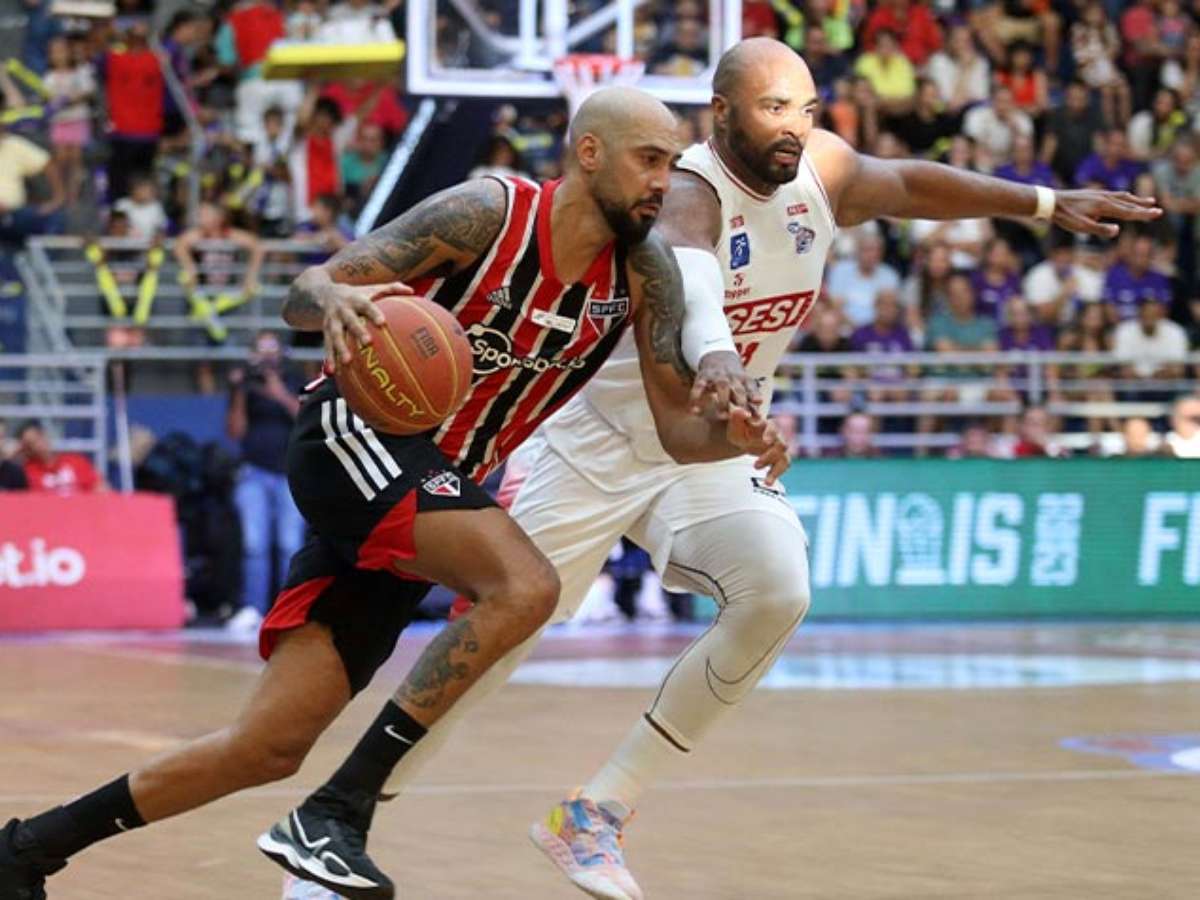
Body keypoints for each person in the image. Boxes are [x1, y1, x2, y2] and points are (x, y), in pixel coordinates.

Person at [282, 38, 1163, 900]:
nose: (794, 126)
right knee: (486, 652)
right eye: (774, 108)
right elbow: (696, 291)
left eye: (807, 109)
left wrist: (1043, 202)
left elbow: (908, 185)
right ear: (722, 112)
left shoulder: (821, 167)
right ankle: (339, 823)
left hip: (707, 448)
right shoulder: (684, 192)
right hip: (598, 442)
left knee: (779, 590)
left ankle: (595, 812)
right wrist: (718, 362)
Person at [0, 86, 785, 900]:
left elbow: (677, 431)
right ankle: (336, 814)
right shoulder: (489, 212)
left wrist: (741, 435)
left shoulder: (645, 269)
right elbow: (308, 289)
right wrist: (334, 296)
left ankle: (25, 852)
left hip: (428, 492)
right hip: (355, 436)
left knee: (266, 746)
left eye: (671, 163)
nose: (665, 180)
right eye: (649, 160)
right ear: (590, 154)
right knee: (527, 586)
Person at [224, 330, 308, 635]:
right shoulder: (245, 385)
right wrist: (238, 392)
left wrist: (278, 393)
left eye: (271, 350)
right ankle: (253, 608)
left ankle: (289, 609)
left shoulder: (295, 379)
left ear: (282, 353)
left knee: (290, 544)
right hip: (253, 472)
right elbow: (234, 431)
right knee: (254, 545)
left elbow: (306, 419)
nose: (267, 356)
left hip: (289, 473)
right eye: (260, 350)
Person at [15, 421, 104, 494]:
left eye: (39, 437)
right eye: (31, 444)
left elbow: (100, 488)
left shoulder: (76, 460)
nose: (38, 445)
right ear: (25, 449)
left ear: (45, 435)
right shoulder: (27, 473)